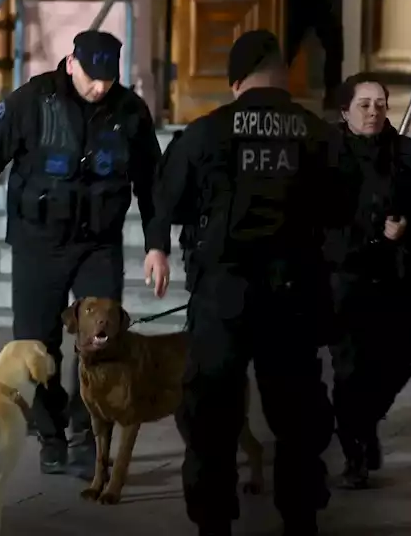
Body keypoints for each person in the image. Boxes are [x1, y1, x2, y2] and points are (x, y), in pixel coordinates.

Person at [0, 30, 163, 478]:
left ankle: (84, 434)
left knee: (102, 339)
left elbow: (152, 184)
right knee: (37, 346)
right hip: (39, 241)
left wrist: (157, 246)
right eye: (92, 77)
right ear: (71, 63)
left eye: (108, 79)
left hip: (99, 243)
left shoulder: (129, 110)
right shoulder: (31, 102)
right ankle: (51, 433)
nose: (100, 88)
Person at [142, 30, 343, 536]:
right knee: (297, 417)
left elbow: (169, 200)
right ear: (283, 76)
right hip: (293, 295)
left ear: (235, 82)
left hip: (223, 294)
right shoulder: (317, 133)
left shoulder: (207, 132)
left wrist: (166, 244)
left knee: (211, 416)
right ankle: (300, 520)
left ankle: (214, 523)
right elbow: (345, 209)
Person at [320, 73, 411, 490]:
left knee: (396, 361)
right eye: (364, 104)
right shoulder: (324, 154)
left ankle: (366, 420)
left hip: (395, 275)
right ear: (345, 111)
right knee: (349, 366)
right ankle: (355, 448)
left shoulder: (407, 153)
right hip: (344, 275)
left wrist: (407, 227)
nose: (374, 111)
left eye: (380, 104)